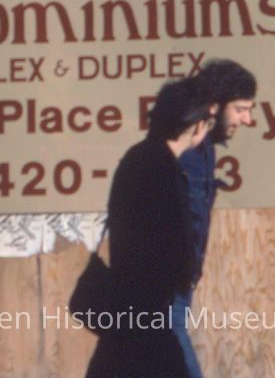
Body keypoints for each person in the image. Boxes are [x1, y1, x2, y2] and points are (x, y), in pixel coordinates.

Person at [86, 77, 215, 378]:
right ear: (197, 126)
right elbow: (168, 248)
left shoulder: (139, 158)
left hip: (134, 311)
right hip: (151, 313)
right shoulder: (164, 169)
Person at [172, 59, 258, 377]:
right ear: (213, 106)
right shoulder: (188, 153)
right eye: (240, 109)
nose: (248, 119)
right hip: (162, 295)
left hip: (173, 290)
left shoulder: (204, 151)